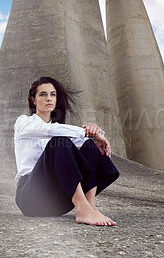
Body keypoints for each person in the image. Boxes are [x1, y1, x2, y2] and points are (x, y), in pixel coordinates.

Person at [14, 76, 119, 226]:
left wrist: (96, 133)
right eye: (43, 94)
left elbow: (89, 140)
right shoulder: (23, 122)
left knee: (91, 145)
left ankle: (89, 207)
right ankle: (83, 208)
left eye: (53, 94)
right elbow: (47, 130)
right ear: (33, 99)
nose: (49, 98)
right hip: (31, 197)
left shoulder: (60, 129)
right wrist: (84, 131)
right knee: (59, 142)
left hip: (57, 201)